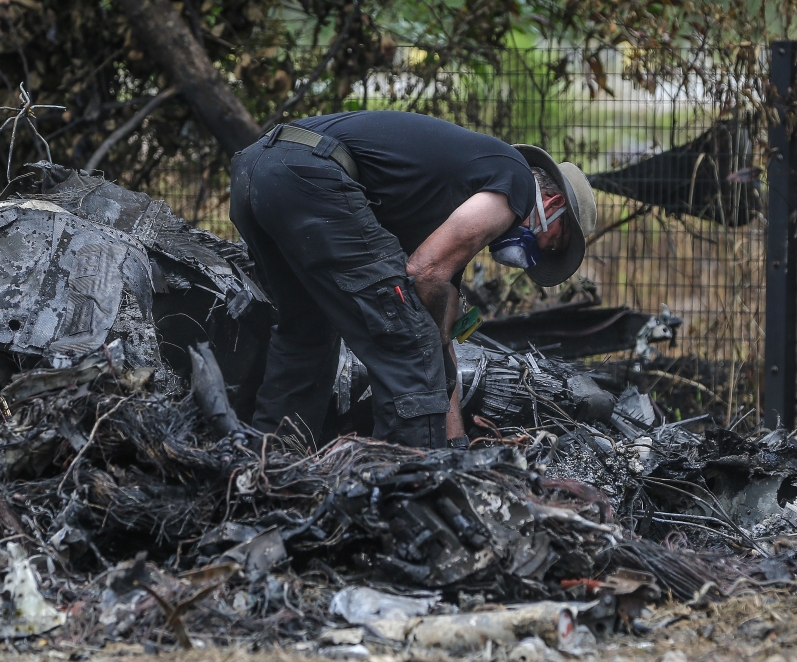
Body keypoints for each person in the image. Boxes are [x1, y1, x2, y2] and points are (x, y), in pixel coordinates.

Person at [229, 110, 596, 449]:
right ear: (550, 204)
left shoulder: (451, 199)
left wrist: (456, 442)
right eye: (556, 242)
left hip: (258, 170)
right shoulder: (515, 179)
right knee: (406, 339)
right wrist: (429, 334)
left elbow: (443, 335)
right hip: (309, 174)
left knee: (306, 333)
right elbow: (426, 274)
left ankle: (273, 461)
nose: (542, 254)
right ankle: (413, 482)